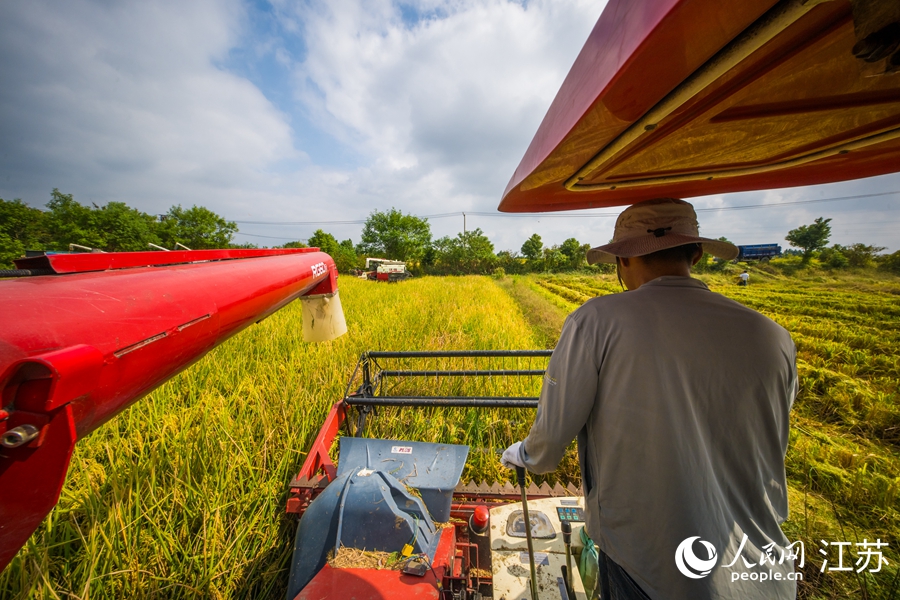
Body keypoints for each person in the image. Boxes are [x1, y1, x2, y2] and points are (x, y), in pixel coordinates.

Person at [501, 198, 797, 600]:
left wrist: (525, 454)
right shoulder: (773, 336)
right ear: (695, 253)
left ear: (622, 260)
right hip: (766, 571)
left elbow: (550, 442)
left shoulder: (597, 321)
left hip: (652, 569)